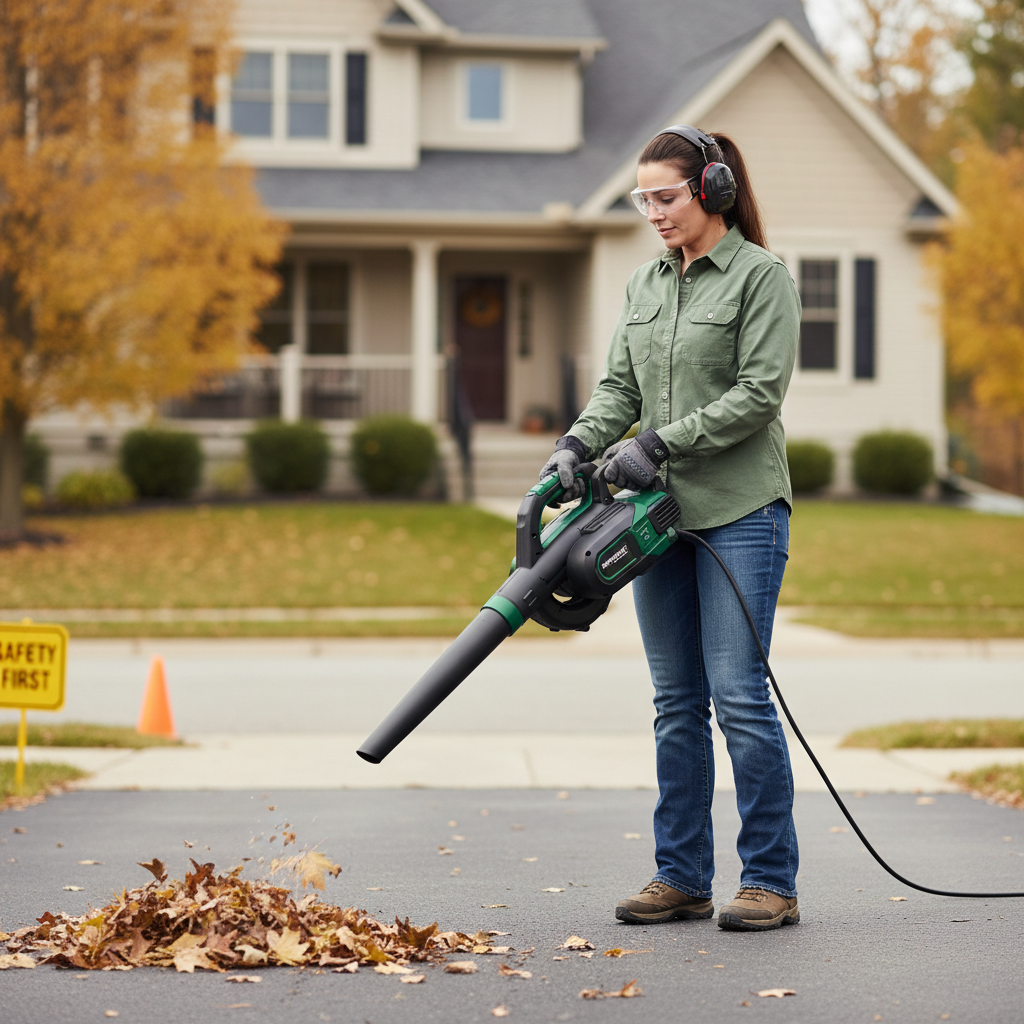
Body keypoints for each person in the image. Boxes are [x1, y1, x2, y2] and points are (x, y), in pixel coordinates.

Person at [539, 126, 801, 932]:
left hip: (740, 512)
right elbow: (619, 386)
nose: (651, 212)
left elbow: (760, 393)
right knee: (675, 701)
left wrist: (662, 442)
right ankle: (680, 876)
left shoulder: (762, 280)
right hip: (655, 521)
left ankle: (770, 882)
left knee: (738, 696)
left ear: (712, 190)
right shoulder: (644, 286)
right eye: (641, 197)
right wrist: (578, 443)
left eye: (665, 196)